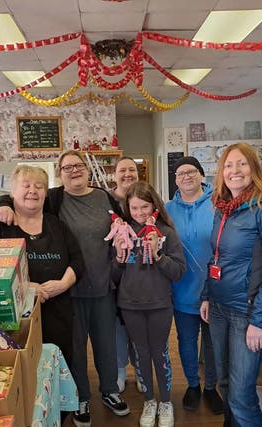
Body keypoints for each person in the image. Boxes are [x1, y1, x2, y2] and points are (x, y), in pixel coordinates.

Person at [0, 151, 130, 427]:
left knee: (106, 344)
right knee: (75, 348)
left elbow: (124, 224)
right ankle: (80, 397)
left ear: (88, 169)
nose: (74, 170)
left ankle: (110, 391)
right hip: (69, 292)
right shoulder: (55, 198)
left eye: (79, 165)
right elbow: (22, 195)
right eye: (67, 167)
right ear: (60, 173)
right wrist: (1, 203)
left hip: (102, 285)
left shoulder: (104, 197)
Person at [199, 143, 262, 427]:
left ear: (254, 168)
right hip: (218, 307)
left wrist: (259, 321)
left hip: (246, 313)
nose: (234, 171)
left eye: (241, 164)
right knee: (225, 385)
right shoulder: (223, 205)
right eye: (228, 165)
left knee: (242, 396)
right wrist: (206, 294)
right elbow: (217, 256)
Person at [0, 165, 83, 367]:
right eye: (25, 185)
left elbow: (77, 261)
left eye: (39, 186)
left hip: (58, 316)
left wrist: (63, 283)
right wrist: (24, 288)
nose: (33, 191)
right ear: (11, 194)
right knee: (21, 372)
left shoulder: (56, 225)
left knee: (58, 368)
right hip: (12, 322)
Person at [112, 182, 186, 427]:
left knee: (160, 353)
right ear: (127, 208)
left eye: (145, 206)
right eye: (134, 208)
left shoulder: (166, 232)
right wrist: (119, 257)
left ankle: (165, 401)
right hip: (130, 304)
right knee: (141, 353)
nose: (140, 212)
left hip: (159, 304)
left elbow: (178, 271)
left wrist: (158, 256)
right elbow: (114, 274)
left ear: (154, 204)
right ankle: (149, 400)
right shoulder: (123, 232)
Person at [165, 156, 224, 415]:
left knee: (211, 343)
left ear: (201, 175)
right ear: (175, 181)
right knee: (186, 340)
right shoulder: (167, 210)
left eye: (191, 172)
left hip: (213, 289)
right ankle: (192, 385)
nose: (186, 177)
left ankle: (211, 387)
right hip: (181, 288)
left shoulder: (217, 204)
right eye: (180, 174)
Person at [109, 156, 141, 392]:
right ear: (114, 174)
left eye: (132, 169)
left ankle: (141, 370)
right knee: (117, 327)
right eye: (123, 170)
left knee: (138, 327)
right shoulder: (104, 199)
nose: (127, 174)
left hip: (141, 276)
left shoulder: (144, 197)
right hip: (113, 273)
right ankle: (120, 369)